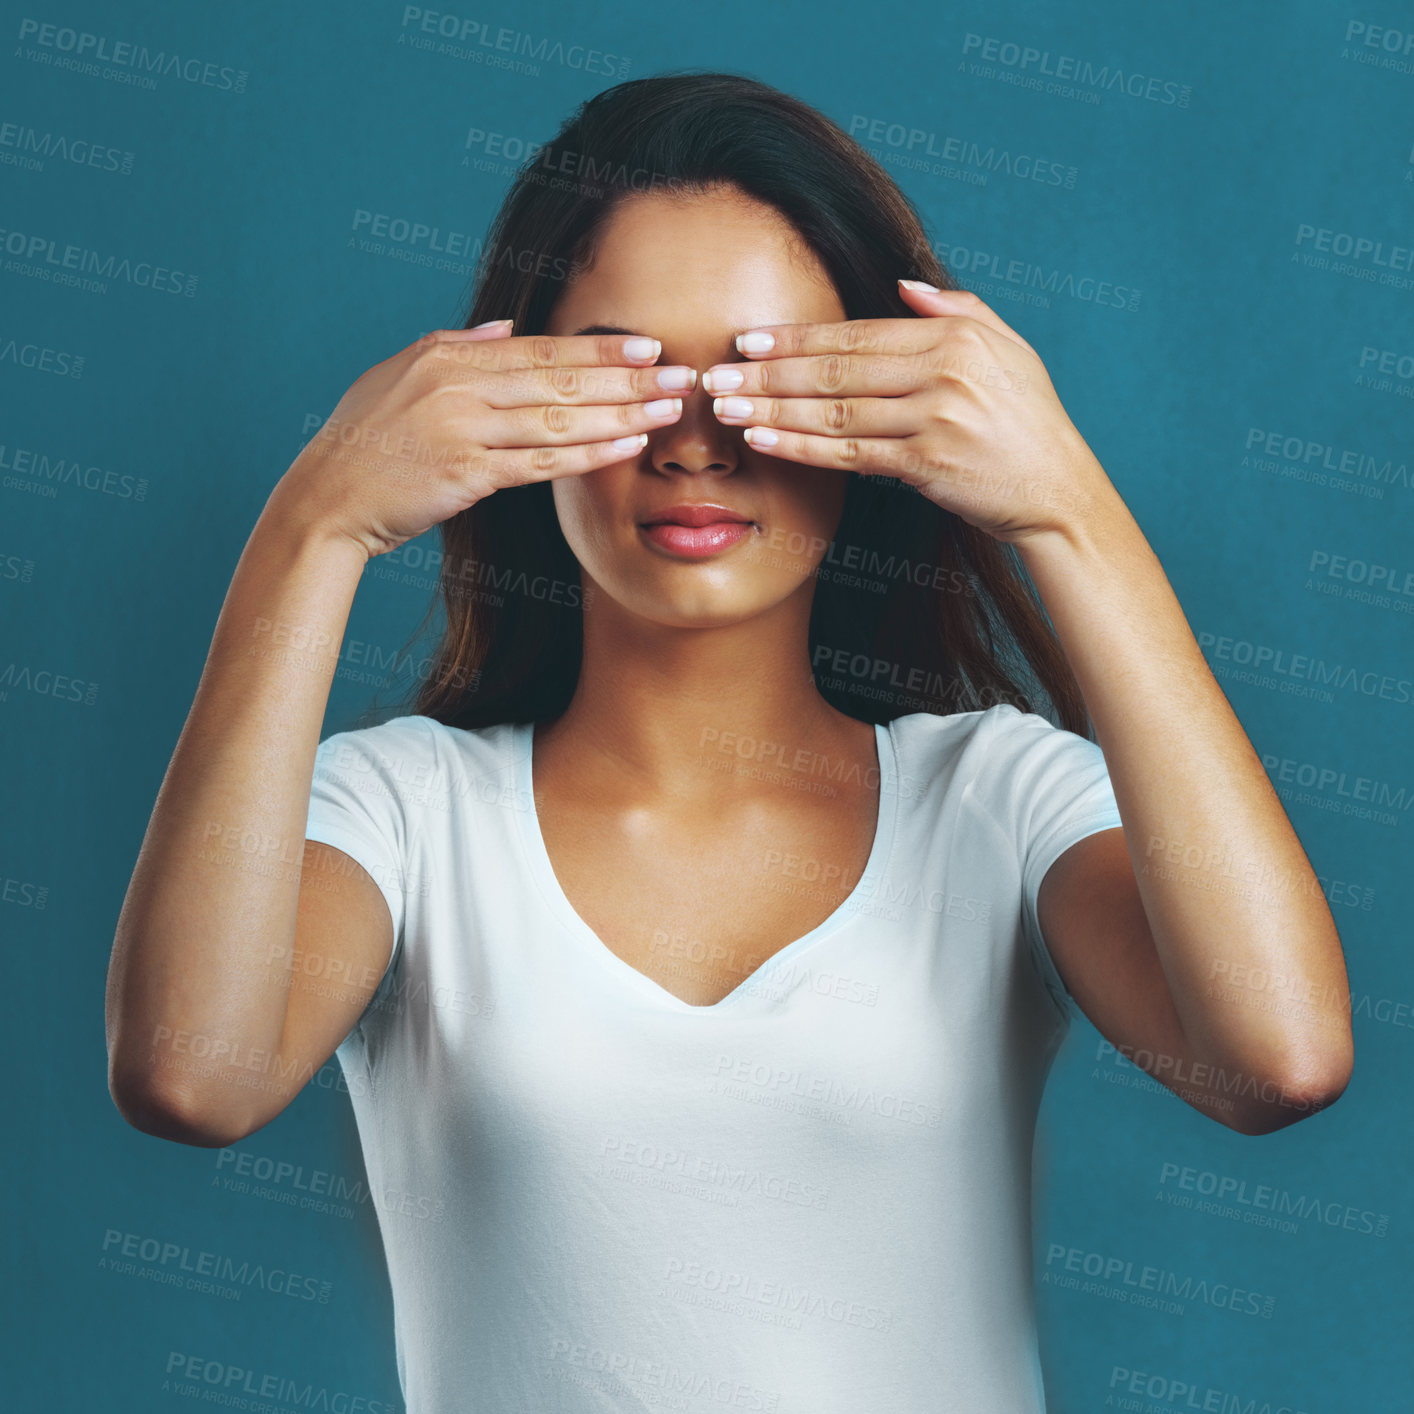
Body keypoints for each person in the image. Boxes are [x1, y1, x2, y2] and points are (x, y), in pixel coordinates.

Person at [105, 71, 1354, 1413]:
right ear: (520, 400)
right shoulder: (407, 816)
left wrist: (1065, 508)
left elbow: (1276, 1057)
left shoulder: (993, 799)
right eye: (631, 373)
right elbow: (192, 1072)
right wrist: (318, 521)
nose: (695, 442)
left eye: (763, 375)